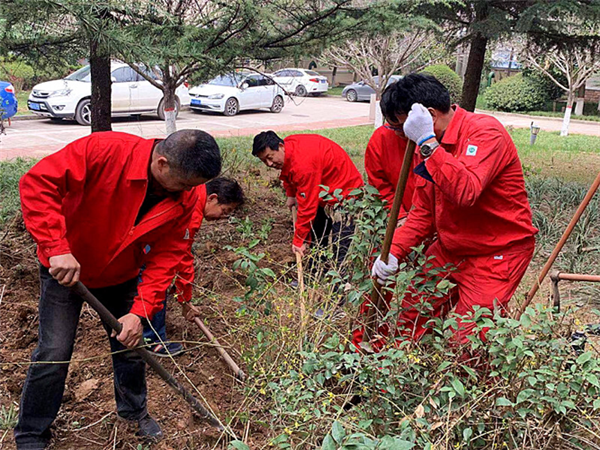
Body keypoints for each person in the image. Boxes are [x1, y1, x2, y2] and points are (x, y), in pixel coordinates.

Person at [16, 130, 221, 448]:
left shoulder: (189, 196)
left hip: (121, 275)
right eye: (184, 185)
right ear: (162, 163)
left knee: (130, 346)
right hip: (65, 269)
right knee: (53, 352)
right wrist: (56, 246)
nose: (190, 194)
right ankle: (31, 431)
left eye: (194, 187)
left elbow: (167, 258)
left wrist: (139, 314)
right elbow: (38, 184)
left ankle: (133, 413)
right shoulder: (104, 151)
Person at [370, 73, 538, 345]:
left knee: (467, 341)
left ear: (430, 115)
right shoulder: (425, 145)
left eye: (401, 129)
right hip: (451, 248)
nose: (402, 137)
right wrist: (394, 252)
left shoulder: (484, 132)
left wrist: (426, 143)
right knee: (410, 318)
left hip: (497, 252)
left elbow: (466, 192)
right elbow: (422, 214)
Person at [144, 177, 245, 357]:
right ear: (213, 198)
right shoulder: (192, 209)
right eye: (224, 210)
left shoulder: (193, 192)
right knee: (156, 281)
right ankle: (152, 340)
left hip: (148, 236)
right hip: (146, 242)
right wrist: (185, 299)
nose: (222, 217)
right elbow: (182, 257)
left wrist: (183, 297)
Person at [252, 131, 363, 268]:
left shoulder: (303, 163)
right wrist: (291, 194)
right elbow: (287, 170)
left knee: (341, 244)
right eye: (264, 161)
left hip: (346, 194)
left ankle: (340, 283)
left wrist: (299, 239)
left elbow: (307, 206)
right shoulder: (289, 147)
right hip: (325, 191)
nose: (268, 164)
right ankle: (316, 270)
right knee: (316, 233)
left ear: (280, 146)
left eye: (270, 157)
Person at [364, 123, 417, 217]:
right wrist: (400, 216)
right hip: (404, 218)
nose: (397, 132)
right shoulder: (381, 139)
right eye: (393, 127)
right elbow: (380, 187)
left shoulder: (437, 134)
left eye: (401, 127)